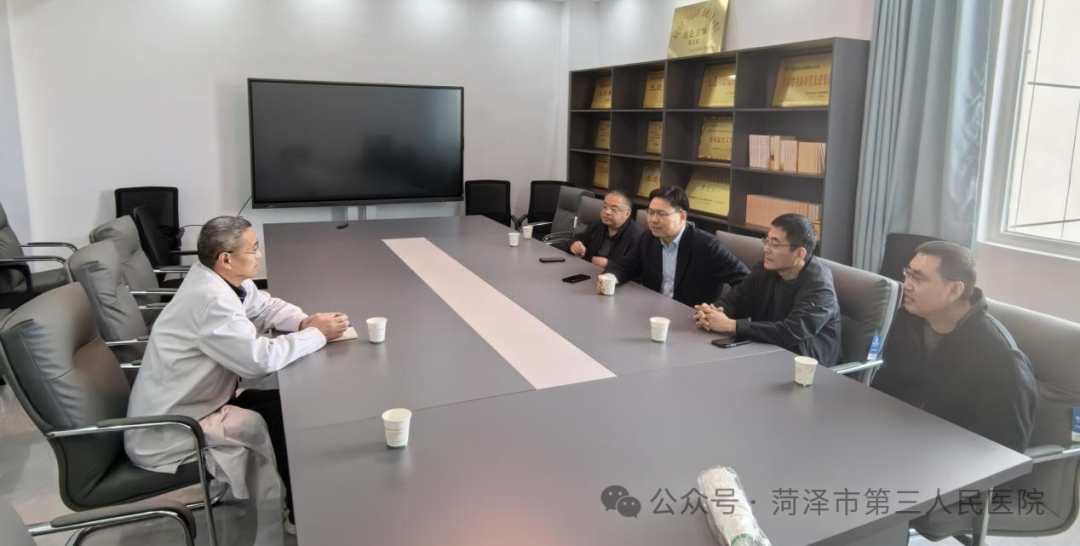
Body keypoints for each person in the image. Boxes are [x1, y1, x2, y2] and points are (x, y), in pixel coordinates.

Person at [125, 216, 349, 535]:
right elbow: (258, 361)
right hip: (172, 428)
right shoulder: (211, 299)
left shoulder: (221, 279)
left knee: (284, 407)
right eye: (253, 249)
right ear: (226, 259)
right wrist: (317, 334)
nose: (259, 255)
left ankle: (300, 501)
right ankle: (299, 515)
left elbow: (265, 307)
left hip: (199, 402)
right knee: (281, 416)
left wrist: (303, 322)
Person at [872, 241, 1037, 453]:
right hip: (900, 437)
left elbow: (1005, 446)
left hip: (953, 458)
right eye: (908, 273)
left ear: (954, 290)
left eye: (918, 278)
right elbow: (885, 385)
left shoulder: (999, 356)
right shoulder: (906, 319)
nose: (907, 284)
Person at [693, 214, 842, 365]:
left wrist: (730, 325)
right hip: (765, 352)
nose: (766, 249)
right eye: (766, 241)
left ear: (799, 253)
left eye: (774, 244)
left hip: (805, 366)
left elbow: (791, 331)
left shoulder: (820, 287)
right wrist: (712, 313)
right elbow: (735, 299)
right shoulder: (764, 270)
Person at [600, 186, 749, 306]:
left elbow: (746, 282)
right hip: (652, 310)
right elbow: (627, 265)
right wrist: (610, 276)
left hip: (690, 319)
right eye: (650, 212)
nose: (653, 220)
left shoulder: (707, 246)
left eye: (661, 214)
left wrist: (720, 308)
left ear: (682, 217)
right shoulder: (648, 238)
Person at [568, 190, 644, 268]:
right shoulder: (597, 224)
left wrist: (609, 264)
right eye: (605, 207)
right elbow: (576, 239)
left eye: (614, 209)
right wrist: (573, 244)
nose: (607, 212)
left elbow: (635, 268)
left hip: (613, 275)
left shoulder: (637, 236)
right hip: (588, 269)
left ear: (627, 214)